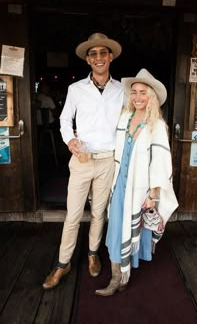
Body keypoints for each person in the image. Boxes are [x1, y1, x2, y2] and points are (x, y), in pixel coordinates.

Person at [42, 33, 124, 290]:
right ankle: (63, 263)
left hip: (108, 159)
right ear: (88, 60)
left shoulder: (122, 89)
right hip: (81, 159)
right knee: (74, 214)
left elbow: (132, 119)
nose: (98, 58)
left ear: (110, 57)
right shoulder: (76, 89)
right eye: (93, 54)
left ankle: (91, 254)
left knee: (99, 212)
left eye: (103, 53)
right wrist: (70, 141)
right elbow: (65, 120)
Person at [95, 68, 179, 296]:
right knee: (115, 228)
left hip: (139, 187)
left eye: (143, 92)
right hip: (119, 184)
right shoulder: (125, 117)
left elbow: (160, 161)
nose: (138, 97)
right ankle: (117, 276)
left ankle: (120, 278)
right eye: (134, 92)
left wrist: (153, 194)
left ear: (151, 96)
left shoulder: (157, 126)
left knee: (126, 228)